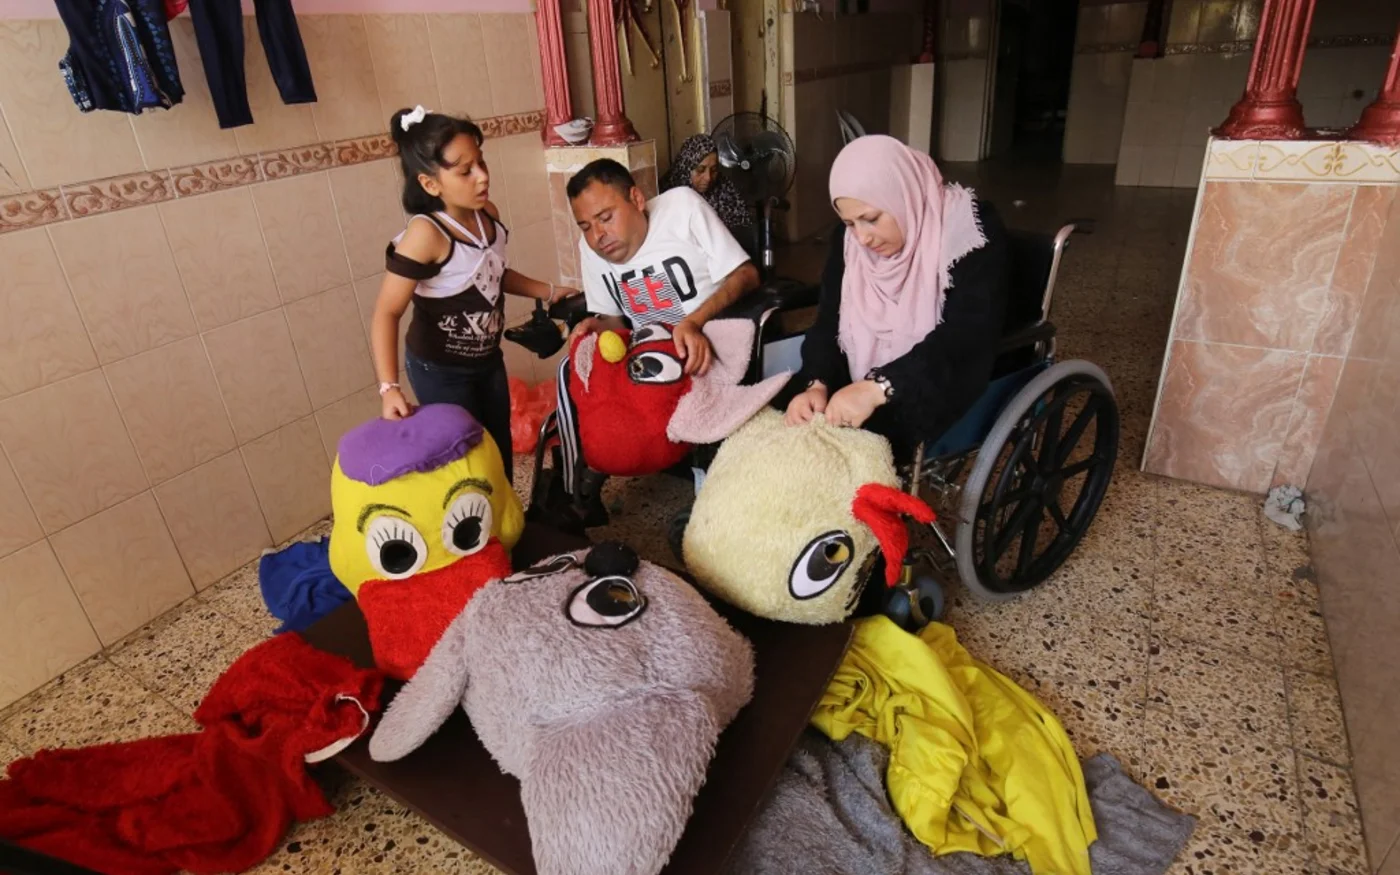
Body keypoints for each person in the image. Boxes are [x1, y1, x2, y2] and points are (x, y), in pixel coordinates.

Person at [370, 106, 578, 479]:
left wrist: (549, 291)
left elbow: (493, 274)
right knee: (468, 461)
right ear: (430, 184)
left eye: (481, 162)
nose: (482, 176)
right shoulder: (426, 234)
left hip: (486, 361)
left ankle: (507, 512)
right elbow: (387, 312)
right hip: (439, 370)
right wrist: (389, 388)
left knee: (498, 452)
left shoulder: (487, 216)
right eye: (465, 171)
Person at [551, 158, 761, 526]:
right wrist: (596, 326)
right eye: (585, 226)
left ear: (636, 199)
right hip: (647, 351)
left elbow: (746, 274)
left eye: (605, 217)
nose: (598, 236)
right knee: (573, 368)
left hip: (707, 338)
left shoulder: (682, 208)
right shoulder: (592, 250)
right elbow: (615, 320)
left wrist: (694, 322)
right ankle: (578, 485)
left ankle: (709, 492)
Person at [783, 135, 1011, 463]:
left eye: (872, 218)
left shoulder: (967, 230)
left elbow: (966, 335)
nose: (862, 238)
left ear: (902, 195)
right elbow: (829, 321)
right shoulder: (848, 242)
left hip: (939, 373)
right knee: (789, 420)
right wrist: (816, 384)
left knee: (848, 453)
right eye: (850, 223)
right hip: (861, 373)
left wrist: (879, 387)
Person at [662, 133, 755, 229]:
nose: (708, 178)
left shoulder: (725, 190)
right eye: (700, 170)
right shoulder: (670, 197)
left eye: (714, 170)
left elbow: (742, 226)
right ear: (686, 169)